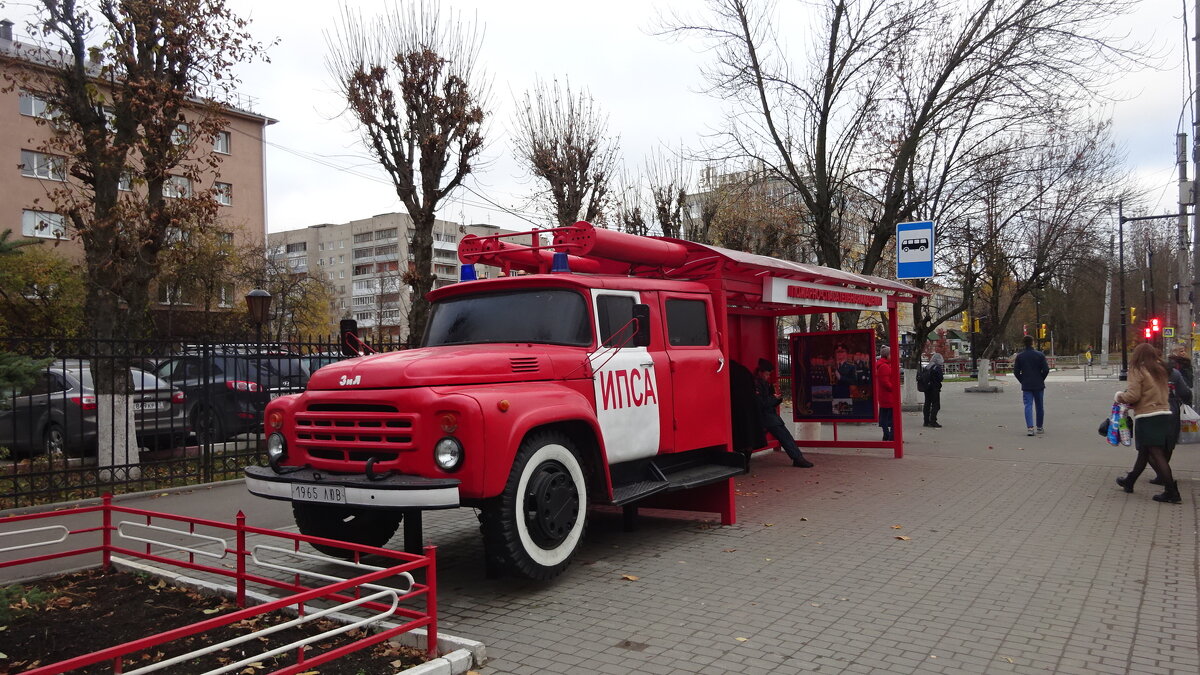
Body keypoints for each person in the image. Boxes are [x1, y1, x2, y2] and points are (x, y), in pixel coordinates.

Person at [1114, 343, 1181, 504]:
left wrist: (1119, 397)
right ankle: (1129, 481)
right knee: (1144, 451)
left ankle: (1171, 491)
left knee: (1156, 453)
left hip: (1147, 415)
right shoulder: (1160, 369)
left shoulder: (1138, 369)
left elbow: (1133, 395)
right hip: (1164, 413)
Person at [753, 358, 814, 468]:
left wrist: (775, 399)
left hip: (768, 416)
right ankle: (797, 458)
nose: (768, 377)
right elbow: (761, 403)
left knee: (784, 436)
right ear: (760, 372)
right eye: (766, 374)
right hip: (766, 417)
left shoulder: (762, 383)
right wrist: (774, 399)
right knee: (784, 436)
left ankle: (797, 457)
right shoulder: (756, 384)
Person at [1013, 335, 1050, 436]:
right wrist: (1041, 378)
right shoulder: (1040, 355)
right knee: (1039, 406)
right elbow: (1046, 370)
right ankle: (1039, 427)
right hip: (1038, 384)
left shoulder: (1020, 356)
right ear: (1032, 342)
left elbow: (1016, 372)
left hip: (1027, 385)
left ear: (1024, 343)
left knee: (1028, 405)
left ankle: (1030, 428)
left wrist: (1023, 380)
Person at [875, 346, 897, 441]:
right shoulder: (884, 366)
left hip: (886, 395)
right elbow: (885, 382)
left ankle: (888, 434)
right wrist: (894, 389)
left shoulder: (885, 364)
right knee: (892, 418)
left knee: (885, 417)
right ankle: (890, 435)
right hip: (888, 396)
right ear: (887, 355)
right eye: (891, 354)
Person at [922, 352, 944, 428]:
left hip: (926, 388)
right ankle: (933, 421)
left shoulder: (927, 367)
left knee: (927, 404)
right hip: (934, 388)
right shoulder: (936, 367)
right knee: (936, 405)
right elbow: (940, 378)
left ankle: (926, 421)